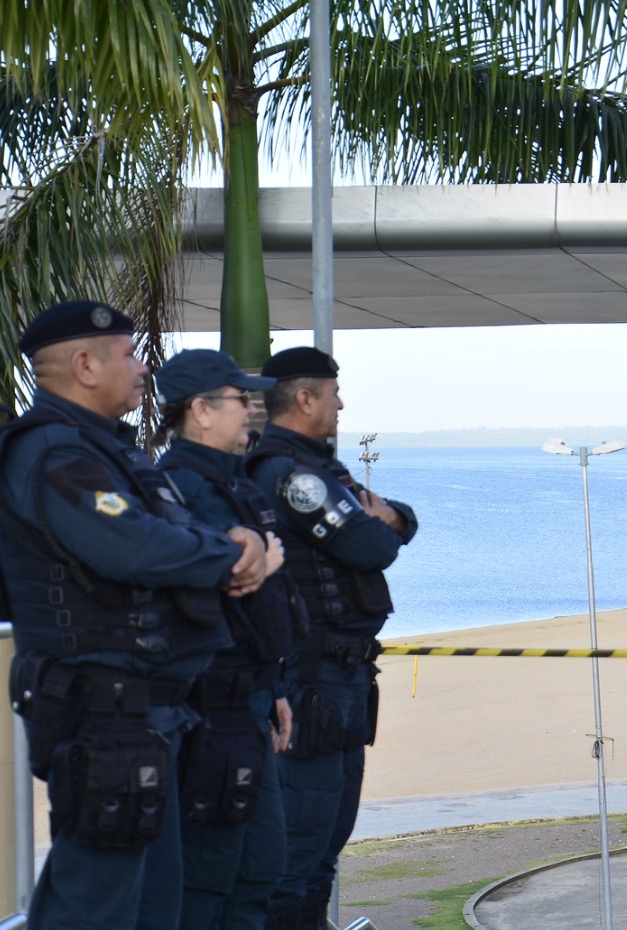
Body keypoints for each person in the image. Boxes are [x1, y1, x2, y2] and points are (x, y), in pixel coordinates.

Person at [0, 300, 273, 930]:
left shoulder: (107, 452)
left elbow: (169, 535)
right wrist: (229, 554)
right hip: (103, 715)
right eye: (129, 353)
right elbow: (137, 546)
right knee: (94, 907)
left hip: (146, 714)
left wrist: (224, 548)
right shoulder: (52, 453)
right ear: (86, 365)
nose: (144, 367)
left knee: (152, 909)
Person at [246, 347, 417, 930]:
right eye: (333, 392)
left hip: (339, 679)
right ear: (304, 398)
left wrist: (387, 520)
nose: (340, 404)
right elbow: (373, 545)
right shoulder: (291, 475)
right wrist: (383, 524)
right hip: (310, 678)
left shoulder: (318, 469)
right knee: (300, 846)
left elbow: (401, 519)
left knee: (325, 845)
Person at [154, 349, 305, 929]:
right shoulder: (178, 486)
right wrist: (259, 558)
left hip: (253, 700)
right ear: (200, 410)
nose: (252, 410)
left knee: (262, 868)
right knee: (210, 877)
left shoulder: (232, 482)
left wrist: (277, 689)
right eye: (241, 399)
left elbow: (260, 588)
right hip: (209, 706)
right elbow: (229, 574)